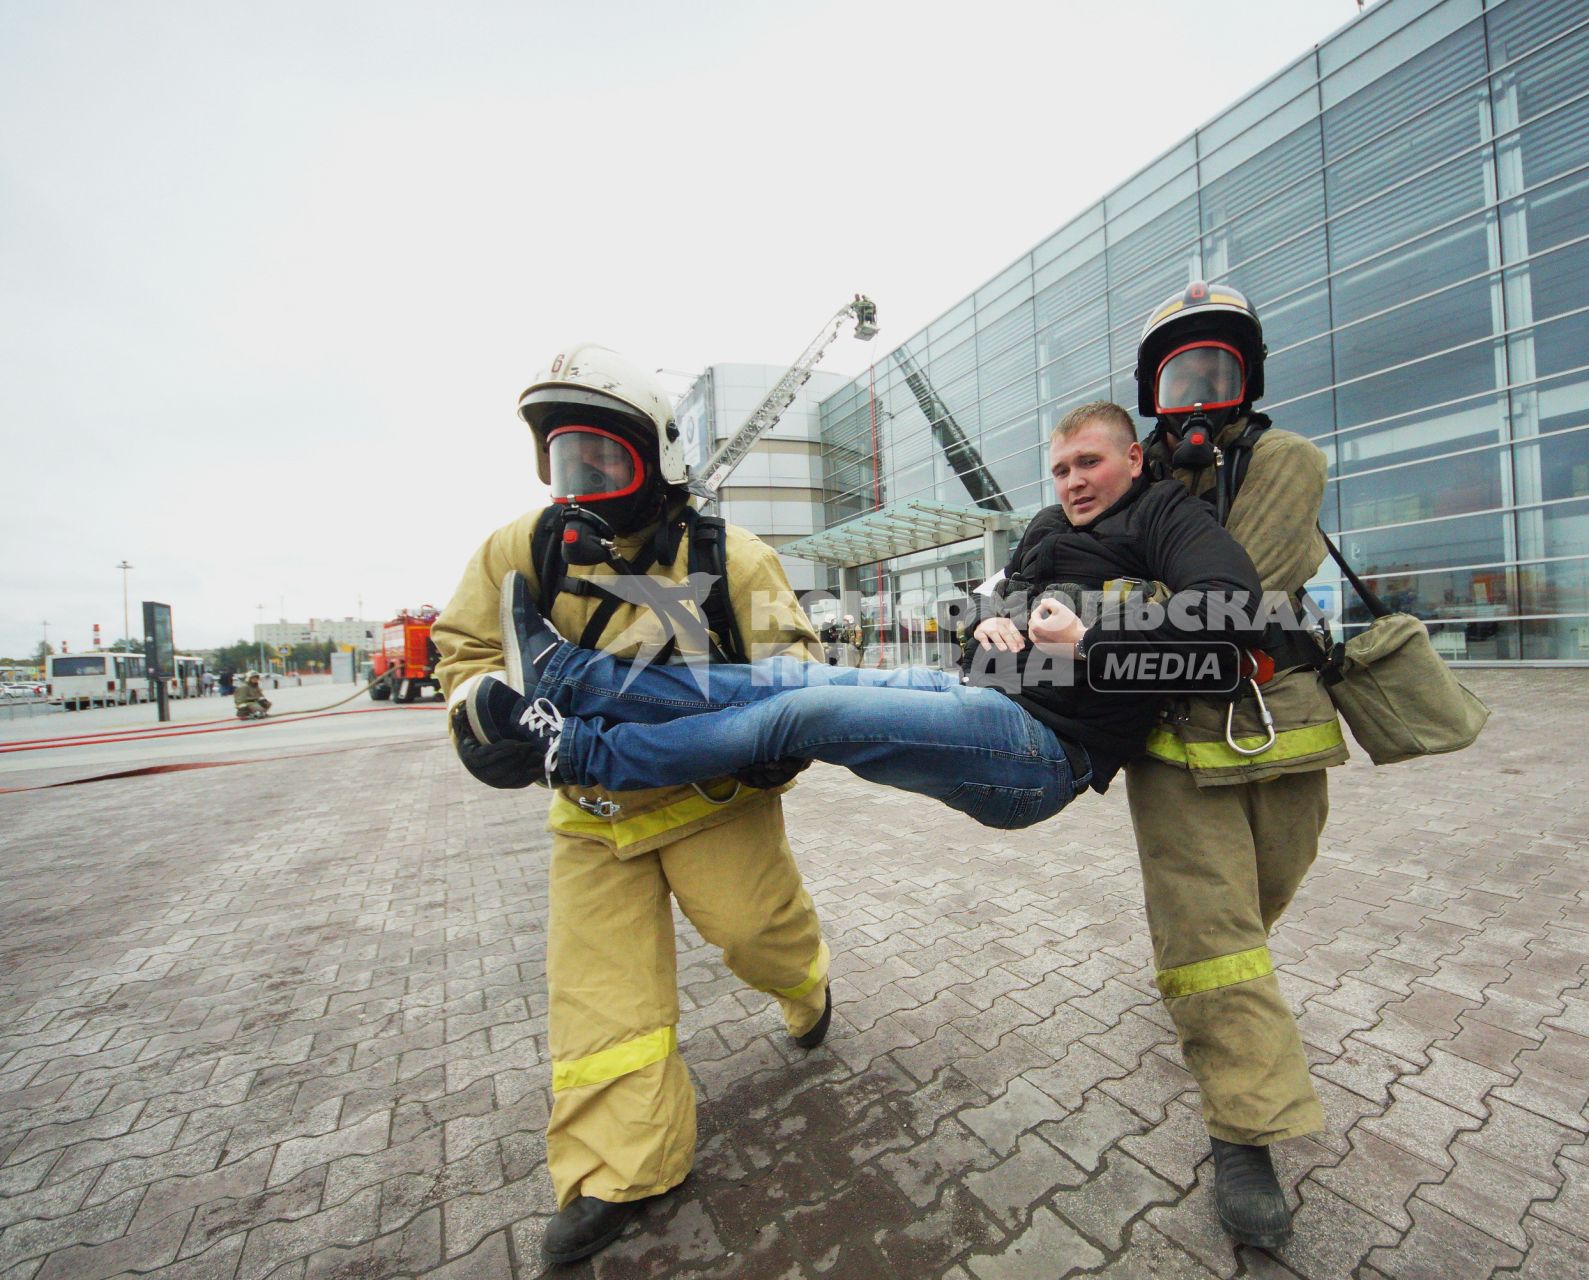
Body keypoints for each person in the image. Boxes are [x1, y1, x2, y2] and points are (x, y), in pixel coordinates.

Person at [432, 344, 831, 1267]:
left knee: (756, 933)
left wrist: (779, 748)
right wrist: (477, 717)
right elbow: (466, 651)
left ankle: (806, 987)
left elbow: (798, 669)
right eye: (569, 459)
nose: (587, 481)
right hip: (591, 814)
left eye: (608, 458)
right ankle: (621, 1166)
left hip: (711, 803)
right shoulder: (520, 552)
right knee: (599, 996)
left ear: (661, 459)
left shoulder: (731, 556)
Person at [459, 401, 1265, 833]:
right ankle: (569, 681)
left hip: (1047, 754)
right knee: (788, 677)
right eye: (1059, 468)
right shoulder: (1050, 528)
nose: (1072, 481)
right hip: (974, 694)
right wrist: (981, 617)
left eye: (1090, 463)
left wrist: (1090, 641)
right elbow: (983, 605)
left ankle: (581, 749)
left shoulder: (1167, 519)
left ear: (1133, 458)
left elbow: (1232, 628)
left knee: (807, 711)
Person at [1126, 281, 1349, 1249]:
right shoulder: (1135, 485)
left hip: (1281, 717)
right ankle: (1245, 1126)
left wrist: (1142, 578)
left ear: (1247, 377)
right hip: (1171, 731)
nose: (1199, 388)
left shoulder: (1289, 459)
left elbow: (1238, 578)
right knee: (1209, 928)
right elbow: (1118, 589)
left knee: (1263, 892)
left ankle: (1210, 985)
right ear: (1152, 391)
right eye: (1180, 373)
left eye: (1216, 368)